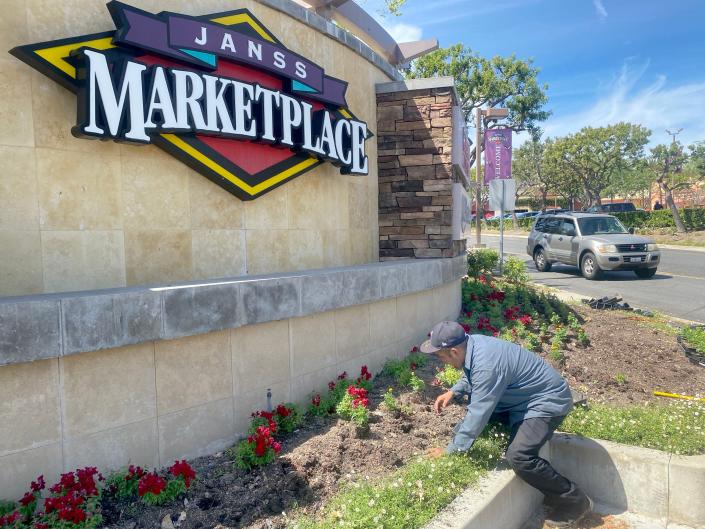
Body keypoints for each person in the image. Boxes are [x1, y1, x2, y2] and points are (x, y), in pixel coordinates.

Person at [420, 321, 592, 528]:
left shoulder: (486, 365)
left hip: (546, 403)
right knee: (475, 406)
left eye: (441, 356)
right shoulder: (474, 344)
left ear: (454, 351)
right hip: (523, 399)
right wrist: (454, 390)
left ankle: (575, 500)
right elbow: (474, 377)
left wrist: (452, 452)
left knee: (519, 456)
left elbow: (478, 412)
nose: (441, 362)